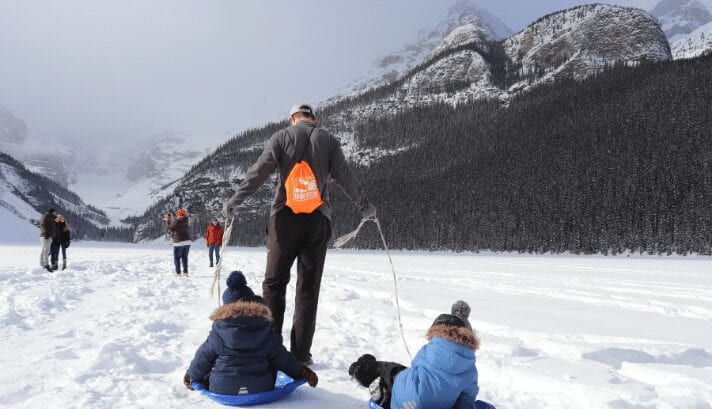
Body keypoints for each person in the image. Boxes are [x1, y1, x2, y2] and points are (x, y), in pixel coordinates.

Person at [222, 103, 376, 366]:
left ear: (293, 119)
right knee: (307, 289)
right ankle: (301, 355)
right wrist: (365, 207)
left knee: (274, 284)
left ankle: (270, 350)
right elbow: (346, 177)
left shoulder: (281, 137)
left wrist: (235, 201)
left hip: (284, 218)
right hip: (317, 219)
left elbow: (259, 172)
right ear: (313, 119)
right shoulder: (328, 140)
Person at [348, 301, 495, 409]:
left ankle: (362, 370)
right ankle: (386, 394)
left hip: (406, 398)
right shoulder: (470, 368)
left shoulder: (430, 348)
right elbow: (467, 400)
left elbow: (415, 366)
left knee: (390, 369)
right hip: (436, 405)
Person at [183, 292, 318, 395]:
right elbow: (285, 361)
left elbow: (202, 359)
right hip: (261, 387)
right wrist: (305, 373)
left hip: (222, 388)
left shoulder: (219, 330)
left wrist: (191, 376)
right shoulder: (266, 332)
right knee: (272, 361)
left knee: (211, 371)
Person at [164, 209, 191, 276]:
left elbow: (170, 227)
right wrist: (172, 218)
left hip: (179, 242)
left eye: (178, 214)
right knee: (184, 258)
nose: (177, 215)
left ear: (179, 214)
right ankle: (185, 272)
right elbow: (176, 223)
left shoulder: (177, 221)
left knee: (177, 258)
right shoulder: (186, 220)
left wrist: (167, 220)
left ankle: (178, 273)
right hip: (187, 241)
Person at [39, 208, 57, 272]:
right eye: (55, 212)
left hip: (49, 236)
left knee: (44, 249)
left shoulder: (51, 217)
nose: (56, 213)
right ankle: (46, 265)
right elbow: (43, 225)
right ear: (52, 212)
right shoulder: (47, 216)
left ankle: (42, 263)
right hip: (46, 236)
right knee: (46, 250)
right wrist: (46, 233)